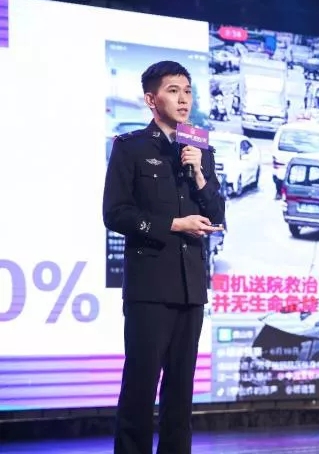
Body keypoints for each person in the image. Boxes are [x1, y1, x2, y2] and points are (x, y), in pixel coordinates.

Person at [102, 60, 226, 454]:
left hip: (191, 289)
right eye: (173, 90)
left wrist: (200, 175)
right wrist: (174, 224)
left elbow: (217, 215)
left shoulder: (201, 151)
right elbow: (115, 214)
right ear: (151, 99)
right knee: (140, 390)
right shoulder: (131, 148)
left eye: (188, 90)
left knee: (180, 394)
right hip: (150, 289)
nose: (184, 99)